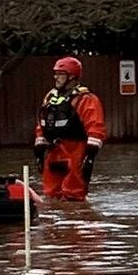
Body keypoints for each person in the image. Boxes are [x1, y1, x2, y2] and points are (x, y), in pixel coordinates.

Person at [34, 56, 106, 200]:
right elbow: (42, 124)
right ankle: (55, 220)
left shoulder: (86, 99)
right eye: (56, 74)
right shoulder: (50, 97)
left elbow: (96, 129)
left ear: (72, 76)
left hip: (76, 151)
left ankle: (76, 220)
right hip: (54, 151)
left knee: (73, 194)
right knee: (50, 195)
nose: (56, 77)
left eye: (61, 74)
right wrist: (39, 151)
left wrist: (90, 158)